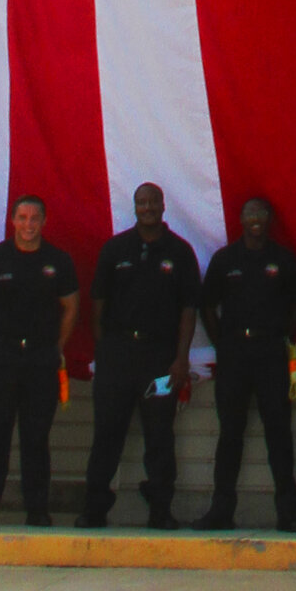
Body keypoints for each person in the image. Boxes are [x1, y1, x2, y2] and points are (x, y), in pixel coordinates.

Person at [83, 180, 200, 527]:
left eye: (153, 202)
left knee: (160, 432)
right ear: (134, 207)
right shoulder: (115, 249)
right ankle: (94, 508)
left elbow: (189, 310)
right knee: (107, 431)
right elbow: (98, 305)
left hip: (160, 360)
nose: (147, 207)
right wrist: (104, 352)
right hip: (117, 358)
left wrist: (180, 359)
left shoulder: (180, 252)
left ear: (164, 206)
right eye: (141, 202)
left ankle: (161, 509)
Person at [0, 194, 79, 527]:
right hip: (2, 355)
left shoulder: (57, 261)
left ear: (44, 222)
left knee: (35, 437)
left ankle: (37, 510)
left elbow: (71, 306)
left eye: (34, 218)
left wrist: (56, 347)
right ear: (12, 221)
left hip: (41, 358)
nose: (28, 224)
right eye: (22, 217)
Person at [198, 194, 296, 531]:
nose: (255, 219)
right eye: (249, 214)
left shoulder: (283, 260)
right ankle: (221, 511)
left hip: (271, 353)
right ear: (241, 220)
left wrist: (281, 337)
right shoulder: (225, 259)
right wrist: (223, 344)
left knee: (279, 434)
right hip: (234, 355)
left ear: (269, 219)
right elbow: (207, 306)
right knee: (230, 433)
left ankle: (287, 513)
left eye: (261, 213)